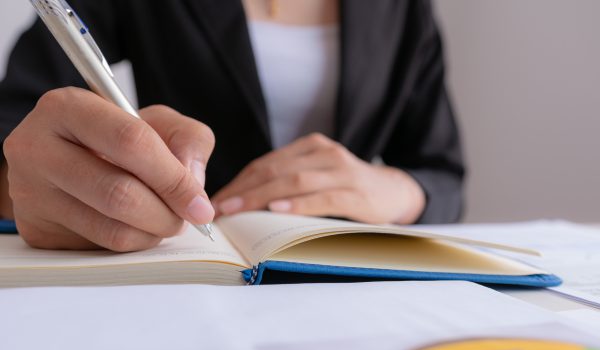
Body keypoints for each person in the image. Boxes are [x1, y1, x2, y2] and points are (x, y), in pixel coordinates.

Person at [0, 0, 464, 252]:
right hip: (185, 263)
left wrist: (398, 191)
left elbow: (442, 173)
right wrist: (30, 186)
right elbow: (18, 127)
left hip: (346, 271)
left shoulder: (404, 9)